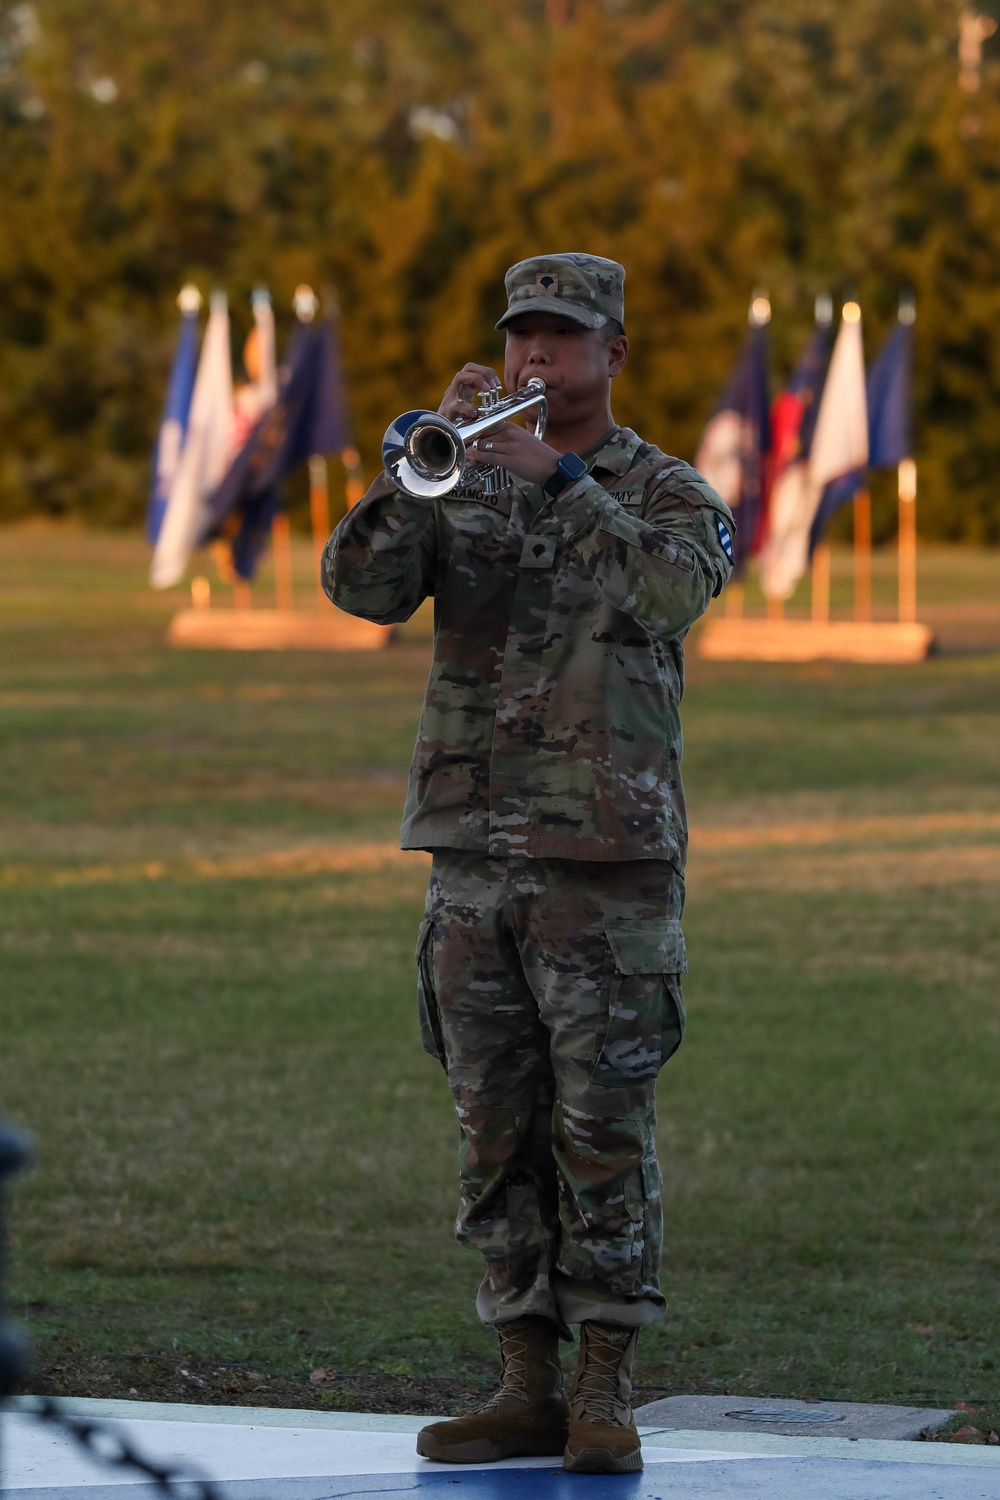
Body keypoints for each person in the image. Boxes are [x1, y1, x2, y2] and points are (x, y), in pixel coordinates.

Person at [323, 253, 735, 1475]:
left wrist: (557, 483)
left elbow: (667, 593)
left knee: (602, 1134)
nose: (536, 361)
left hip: (604, 866)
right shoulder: (463, 474)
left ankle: (605, 1387)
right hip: (472, 858)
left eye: (565, 339)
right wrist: (418, 477)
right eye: (522, 338)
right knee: (491, 1129)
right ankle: (522, 1378)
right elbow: (360, 590)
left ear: (614, 355)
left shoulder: (664, 491)